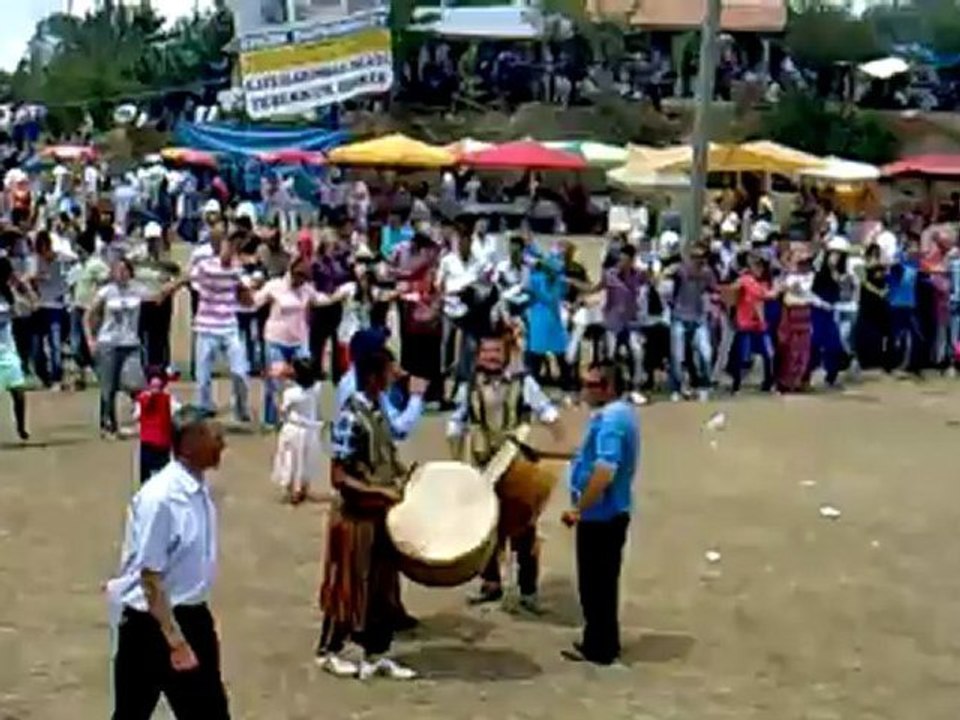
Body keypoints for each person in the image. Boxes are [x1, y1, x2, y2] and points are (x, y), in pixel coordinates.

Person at [106, 407, 231, 719]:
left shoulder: (197, 489)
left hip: (193, 617)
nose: (223, 444)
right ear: (189, 443)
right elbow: (150, 576)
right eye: (215, 436)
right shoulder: (161, 498)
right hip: (153, 626)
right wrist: (175, 642)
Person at [446, 313, 562, 612]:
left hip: (516, 464)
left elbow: (546, 411)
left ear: (506, 353)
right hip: (483, 463)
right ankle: (491, 582)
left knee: (523, 527)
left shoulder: (523, 382)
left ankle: (528, 590)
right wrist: (457, 459)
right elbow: (457, 421)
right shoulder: (469, 384)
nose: (491, 358)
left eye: (496, 352)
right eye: (486, 352)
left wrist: (556, 432)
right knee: (486, 526)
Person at [315, 348, 417, 681]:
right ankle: (329, 650)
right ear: (375, 376)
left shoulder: (378, 410)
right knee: (348, 585)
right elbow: (339, 476)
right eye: (391, 369)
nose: (396, 374)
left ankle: (377, 653)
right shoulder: (351, 416)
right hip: (356, 517)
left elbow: (385, 454)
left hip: (381, 515)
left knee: (381, 587)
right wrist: (380, 492)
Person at [561, 360, 638, 666]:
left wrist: (579, 509)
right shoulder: (616, 415)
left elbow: (605, 469)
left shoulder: (611, 421)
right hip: (607, 512)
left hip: (601, 515)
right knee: (600, 583)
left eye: (590, 384)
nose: (584, 390)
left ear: (607, 387)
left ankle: (601, 647)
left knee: (596, 584)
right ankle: (601, 641)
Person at [85, 258, 184, 437]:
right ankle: (108, 425)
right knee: (108, 387)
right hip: (108, 344)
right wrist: (91, 339)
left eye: (125, 270)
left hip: (130, 344)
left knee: (137, 383)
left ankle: (148, 418)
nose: (121, 274)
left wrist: (177, 283)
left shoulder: (137, 290)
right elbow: (88, 315)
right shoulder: (106, 292)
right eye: (117, 270)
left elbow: (157, 297)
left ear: (130, 272)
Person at [253, 255, 350, 427]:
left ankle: (307, 414)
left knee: (308, 379)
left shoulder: (306, 289)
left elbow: (319, 300)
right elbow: (256, 302)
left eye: (304, 278)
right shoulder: (274, 286)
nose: (301, 281)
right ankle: (272, 418)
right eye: (299, 276)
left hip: (299, 340)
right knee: (275, 382)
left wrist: (337, 296)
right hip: (276, 340)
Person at [190, 232, 253, 422]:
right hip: (205, 326)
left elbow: (247, 295)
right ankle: (204, 407)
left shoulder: (237, 269)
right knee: (202, 376)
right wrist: (168, 289)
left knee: (240, 372)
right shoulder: (205, 266)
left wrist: (247, 293)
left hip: (229, 326)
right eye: (226, 246)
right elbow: (187, 278)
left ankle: (241, 406)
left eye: (232, 247)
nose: (229, 251)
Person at [271, 358, 324, 504]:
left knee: (290, 460)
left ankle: (293, 489)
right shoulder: (318, 389)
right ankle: (302, 488)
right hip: (311, 430)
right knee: (305, 461)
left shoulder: (291, 393)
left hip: (293, 429)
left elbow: (282, 411)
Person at [730, 253, 776, 393]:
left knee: (768, 354)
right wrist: (780, 289)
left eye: (761, 265)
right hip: (746, 324)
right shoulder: (746, 280)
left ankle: (768, 382)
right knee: (742, 357)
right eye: (756, 265)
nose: (759, 268)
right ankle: (736, 384)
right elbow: (765, 295)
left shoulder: (760, 282)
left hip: (759, 325)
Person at [135, 366, 181, 484]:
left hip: (147, 442)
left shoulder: (142, 398)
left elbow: (136, 415)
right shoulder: (168, 399)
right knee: (164, 474)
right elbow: (177, 413)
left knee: (145, 475)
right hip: (163, 442)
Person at [0, 257, 29, 440]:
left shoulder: (8, 294)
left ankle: (21, 427)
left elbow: (30, 306)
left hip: (7, 349)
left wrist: (22, 287)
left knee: (18, 392)